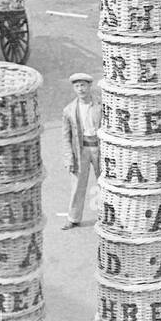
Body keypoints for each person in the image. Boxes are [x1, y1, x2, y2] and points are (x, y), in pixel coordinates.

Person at [61, 71, 100, 230]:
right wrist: (68, 157)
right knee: (77, 185)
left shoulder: (100, 105)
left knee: (105, 183)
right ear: (74, 89)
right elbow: (65, 137)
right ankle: (73, 218)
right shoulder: (69, 110)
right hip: (81, 149)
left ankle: (109, 217)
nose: (81, 89)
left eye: (83, 85)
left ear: (89, 86)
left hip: (99, 148)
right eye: (77, 86)